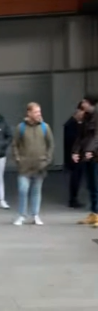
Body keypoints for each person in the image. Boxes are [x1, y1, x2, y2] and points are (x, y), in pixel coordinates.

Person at [12, 102, 53, 227]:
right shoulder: (21, 127)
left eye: (39, 112)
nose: (38, 114)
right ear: (28, 113)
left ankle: (35, 215)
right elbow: (15, 144)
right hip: (24, 166)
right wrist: (17, 158)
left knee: (36, 191)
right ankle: (21, 215)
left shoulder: (45, 127)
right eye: (36, 112)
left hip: (40, 165)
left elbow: (50, 145)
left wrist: (47, 160)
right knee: (23, 189)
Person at [73, 96, 98, 226]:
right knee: (91, 185)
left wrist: (90, 151)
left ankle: (97, 214)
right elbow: (81, 136)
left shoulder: (96, 116)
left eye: (84, 101)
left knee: (96, 185)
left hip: (95, 156)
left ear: (90, 103)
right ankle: (94, 213)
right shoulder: (86, 117)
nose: (82, 103)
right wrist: (76, 151)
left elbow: (96, 137)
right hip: (87, 156)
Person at [65, 103, 86, 209]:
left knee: (78, 177)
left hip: (78, 154)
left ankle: (74, 198)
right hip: (74, 155)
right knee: (75, 177)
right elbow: (71, 141)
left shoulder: (78, 123)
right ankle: (73, 199)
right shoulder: (71, 124)